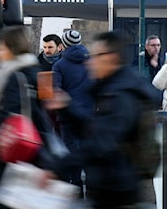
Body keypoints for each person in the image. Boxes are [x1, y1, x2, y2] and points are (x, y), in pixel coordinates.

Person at [42, 31, 159, 208]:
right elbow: (93, 130)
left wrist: (57, 168)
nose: (90, 61)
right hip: (109, 190)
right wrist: (66, 108)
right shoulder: (111, 88)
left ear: (111, 58)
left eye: (96, 56)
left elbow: (101, 143)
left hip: (118, 193)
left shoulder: (121, 95)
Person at [0, 25, 60, 208]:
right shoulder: (37, 71)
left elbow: (12, 121)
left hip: (11, 159)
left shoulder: (12, 76)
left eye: (0, 48)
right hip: (34, 153)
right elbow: (44, 115)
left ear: (11, 48)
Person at [51, 29, 94, 194]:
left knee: (71, 150)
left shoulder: (59, 65)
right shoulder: (90, 62)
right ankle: (91, 187)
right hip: (89, 115)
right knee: (88, 150)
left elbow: (56, 89)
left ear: (64, 45)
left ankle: (75, 187)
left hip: (68, 116)